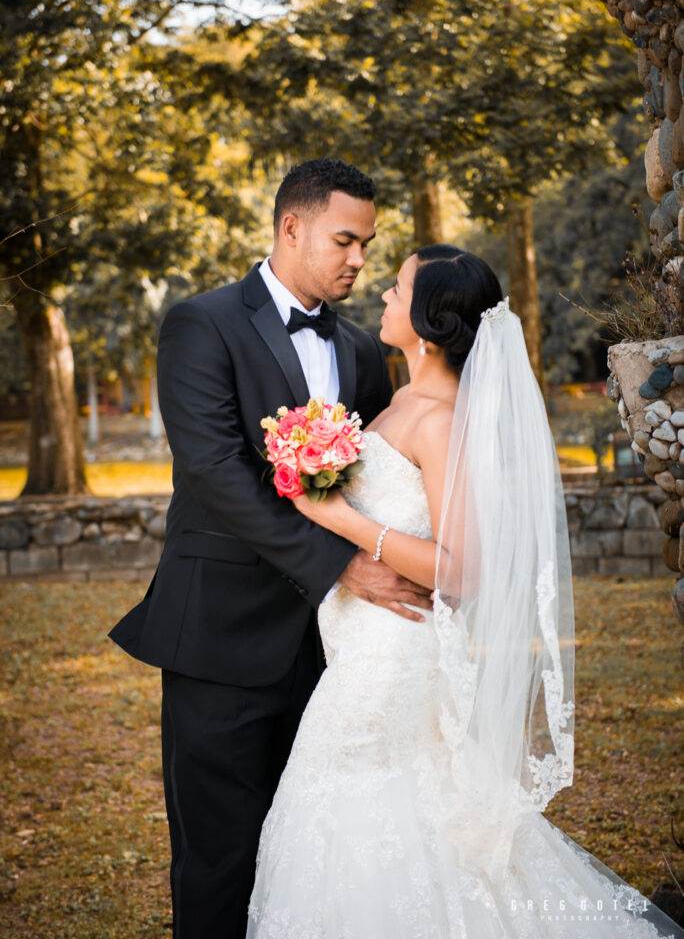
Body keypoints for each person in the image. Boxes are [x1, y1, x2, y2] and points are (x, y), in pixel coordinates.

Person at [247, 244, 684, 939]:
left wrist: (345, 523)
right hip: (358, 643)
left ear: (425, 323)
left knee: (365, 809)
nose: (383, 298)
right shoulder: (401, 402)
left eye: (396, 290)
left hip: (392, 657)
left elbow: (462, 566)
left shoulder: (441, 420)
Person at [108, 158, 433, 939]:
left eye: (369, 244)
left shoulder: (361, 351)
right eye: (345, 240)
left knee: (312, 859)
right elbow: (217, 473)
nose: (360, 260)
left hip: (333, 656)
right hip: (219, 637)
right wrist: (347, 567)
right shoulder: (201, 322)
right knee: (219, 860)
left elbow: (372, 481)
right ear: (292, 226)